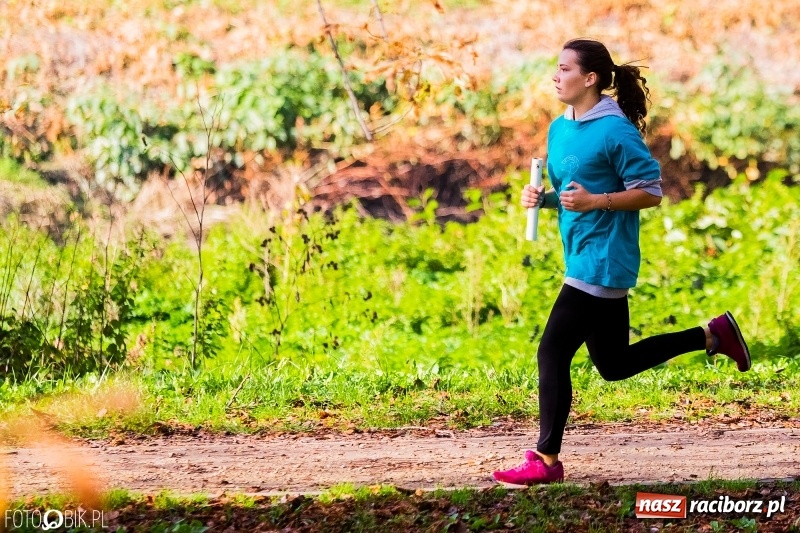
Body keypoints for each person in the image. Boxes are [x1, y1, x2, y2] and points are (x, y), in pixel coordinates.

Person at [492, 38, 751, 486]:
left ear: (589, 78)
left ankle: (545, 459)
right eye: (555, 68)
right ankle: (712, 334)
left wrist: (598, 201)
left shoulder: (616, 131)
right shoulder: (560, 127)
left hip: (604, 258)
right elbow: (577, 192)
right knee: (613, 364)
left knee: (551, 350)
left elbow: (650, 191)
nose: (555, 76)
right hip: (580, 251)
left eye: (564, 68)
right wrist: (546, 199)